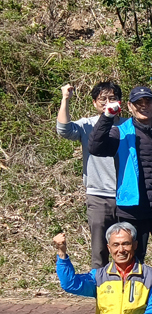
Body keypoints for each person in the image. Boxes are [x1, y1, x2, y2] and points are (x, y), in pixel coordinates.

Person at [88, 86, 152, 314]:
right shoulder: (120, 131)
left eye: (148, 102)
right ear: (130, 106)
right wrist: (107, 116)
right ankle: (134, 305)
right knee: (133, 257)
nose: (144, 106)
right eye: (138, 103)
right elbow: (95, 146)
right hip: (133, 207)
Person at [56, 81, 123, 269]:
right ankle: (101, 289)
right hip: (99, 195)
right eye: (103, 99)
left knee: (128, 246)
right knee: (100, 249)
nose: (108, 102)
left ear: (120, 102)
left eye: (112, 98)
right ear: (95, 103)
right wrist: (65, 99)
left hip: (127, 195)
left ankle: (128, 288)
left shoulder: (129, 125)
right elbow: (64, 130)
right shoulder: (87, 125)